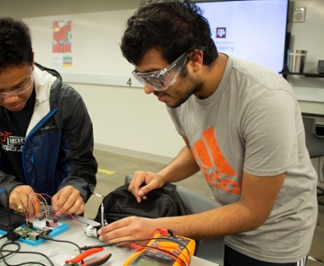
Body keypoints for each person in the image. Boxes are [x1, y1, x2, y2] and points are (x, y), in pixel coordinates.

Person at [97, 1, 318, 265]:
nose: (148, 89)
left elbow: (253, 212)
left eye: (156, 76)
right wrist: (162, 176)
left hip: (274, 241)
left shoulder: (265, 99)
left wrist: (156, 227)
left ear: (195, 59)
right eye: (143, 77)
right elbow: (198, 148)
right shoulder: (178, 92)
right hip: (224, 224)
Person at [0, 17, 97, 217]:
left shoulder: (64, 101)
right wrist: (5, 189)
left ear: (32, 61)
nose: (11, 99)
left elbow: (81, 164)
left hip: (51, 215)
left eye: (20, 86)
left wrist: (75, 188)